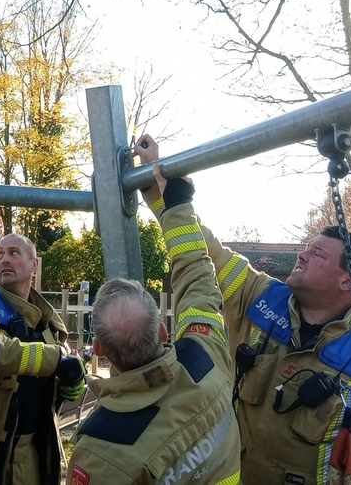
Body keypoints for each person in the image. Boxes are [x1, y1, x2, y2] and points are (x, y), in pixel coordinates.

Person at [134, 134, 351, 485]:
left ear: (347, 281)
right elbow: (204, 251)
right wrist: (162, 194)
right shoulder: (260, 297)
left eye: (317, 254)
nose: (302, 255)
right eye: (306, 248)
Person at [67, 166, 242, 484]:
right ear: (162, 331)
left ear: (99, 348)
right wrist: (175, 200)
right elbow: (197, 277)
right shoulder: (206, 358)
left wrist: (171, 198)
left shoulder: (100, 449)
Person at [0, 231, 86, 485]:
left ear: (34, 264)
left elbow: (51, 389)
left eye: (13, 253)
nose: (4, 259)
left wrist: (70, 384)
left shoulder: (48, 321)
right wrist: (54, 358)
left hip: (33, 453)